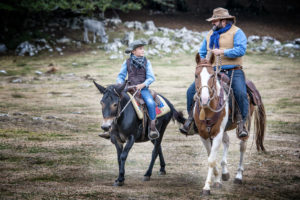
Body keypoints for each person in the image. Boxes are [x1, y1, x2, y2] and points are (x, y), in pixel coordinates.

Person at [180, 7, 249, 138]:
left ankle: (241, 123)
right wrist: (203, 62)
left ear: (224, 21)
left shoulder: (237, 32)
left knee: (240, 92)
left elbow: (241, 50)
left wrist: (222, 52)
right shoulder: (210, 34)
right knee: (190, 91)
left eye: (215, 21)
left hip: (233, 70)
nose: (212, 23)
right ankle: (191, 120)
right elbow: (202, 51)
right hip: (213, 72)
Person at [99, 40, 159, 139]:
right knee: (114, 104)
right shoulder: (126, 62)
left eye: (143, 48)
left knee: (151, 103)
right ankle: (110, 129)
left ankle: (152, 128)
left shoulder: (147, 62)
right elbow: (121, 76)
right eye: (140, 49)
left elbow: (151, 77)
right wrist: (120, 84)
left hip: (142, 89)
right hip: (128, 89)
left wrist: (142, 84)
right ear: (133, 51)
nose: (143, 50)